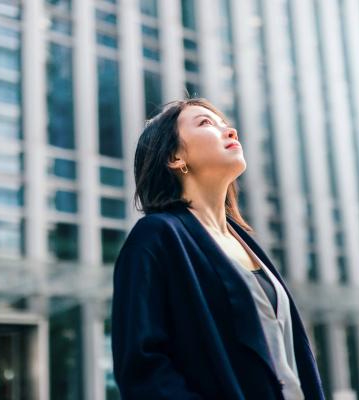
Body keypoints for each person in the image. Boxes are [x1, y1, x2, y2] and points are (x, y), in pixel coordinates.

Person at [111, 98, 325, 399]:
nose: (230, 131)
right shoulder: (156, 237)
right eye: (206, 123)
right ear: (174, 156)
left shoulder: (244, 241)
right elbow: (144, 369)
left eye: (225, 123)